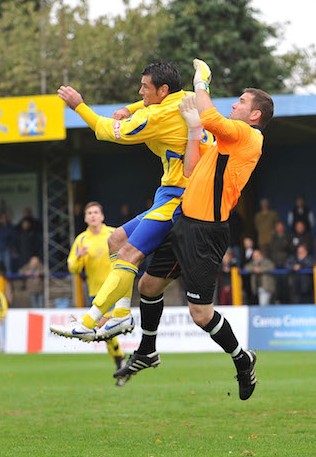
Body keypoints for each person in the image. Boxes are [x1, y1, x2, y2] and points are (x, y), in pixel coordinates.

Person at [114, 59, 273, 401]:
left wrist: (202, 82)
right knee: (148, 284)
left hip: (205, 232)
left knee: (200, 314)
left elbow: (212, 117)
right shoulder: (224, 144)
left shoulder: (249, 136)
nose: (235, 105)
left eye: (242, 102)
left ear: (255, 115)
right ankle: (147, 351)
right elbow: (189, 170)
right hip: (184, 221)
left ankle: (243, 360)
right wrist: (190, 131)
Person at [52, 61, 205, 341]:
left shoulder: (155, 118)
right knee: (116, 240)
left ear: (162, 90)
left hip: (180, 198)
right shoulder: (185, 99)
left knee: (128, 255)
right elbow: (150, 105)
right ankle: (121, 317)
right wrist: (131, 107)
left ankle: (88, 322)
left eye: (145, 88)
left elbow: (106, 129)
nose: (140, 91)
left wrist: (79, 105)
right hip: (169, 193)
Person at [66, 201, 131, 386]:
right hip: (96, 293)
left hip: (115, 288)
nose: (93, 215)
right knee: (105, 332)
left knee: (103, 326)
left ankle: (122, 360)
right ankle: (121, 361)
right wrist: (79, 256)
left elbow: (130, 254)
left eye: (96, 212)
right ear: (86, 218)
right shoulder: (81, 240)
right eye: (89, 213)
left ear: (102, 216)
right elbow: (72, 268)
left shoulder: (113, 234)